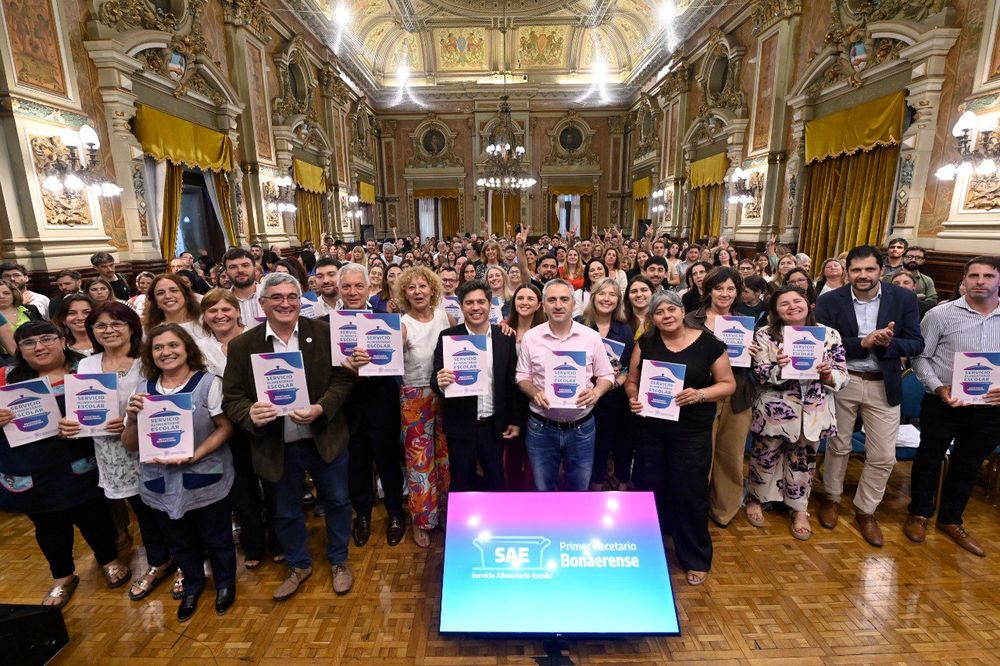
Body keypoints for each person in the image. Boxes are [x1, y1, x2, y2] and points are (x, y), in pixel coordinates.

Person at [223, 272, 356, 600]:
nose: (286, 303)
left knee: (338, 501)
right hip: (275, 444)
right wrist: (249, 413)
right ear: (263, 303)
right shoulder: (243, 346)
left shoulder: (324, 333)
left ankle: (339, 560)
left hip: (324, 436)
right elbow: (233, 397)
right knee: (284, 509)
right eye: (277, 298)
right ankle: (298, 564)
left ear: (301, 301)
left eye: (292, 297)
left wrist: (321, 408)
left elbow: (344, 379)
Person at [0, 321, 129, 608]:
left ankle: (109, 558)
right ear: (19, 349)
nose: (40, 347)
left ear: (62, 340)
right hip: (31, 467)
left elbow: (111, 405)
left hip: (78, 460)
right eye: (29, 343)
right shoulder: (4, 377)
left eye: (47, 339)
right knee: (47, 524)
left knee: (93, 515)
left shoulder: (84, 369)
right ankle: (63, 575)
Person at [122, 324, 236, 621]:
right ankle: (193, 584)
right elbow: (130, 444)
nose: (166, 352)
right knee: (179, 540)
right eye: (158, 347)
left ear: (187, 349)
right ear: (150, 354)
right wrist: (133, 419)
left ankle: (225, 582)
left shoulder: (208, 383)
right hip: (160, 482)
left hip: (205, 476)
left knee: (216, 536)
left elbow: (226, 427)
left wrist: (196, 454)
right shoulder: (143, 391)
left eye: (173, 345)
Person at [65, 303, 176, 602]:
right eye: (101, 326)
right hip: (111, 451)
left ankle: (183, 559)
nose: (109, 330)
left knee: (164, 505)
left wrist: (128, 420)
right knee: (140, 509)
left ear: (131, 326)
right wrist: (72, 422)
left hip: (150, 443)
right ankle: (159, 561)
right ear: (92, 332)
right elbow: (81, 406)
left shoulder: (148, 359)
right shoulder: (87, 365)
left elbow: (166, 396)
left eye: (116, 323)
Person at [624, 291, 736, 585]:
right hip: (651, 431)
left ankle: (695, 557)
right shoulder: (645, 343)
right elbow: (632, 382)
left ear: (682, 310)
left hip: (692, 433)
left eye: (671, 309)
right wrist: (633, 398)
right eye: (659, 312)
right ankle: (648, 550)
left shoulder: (708, 343)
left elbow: (727, 384)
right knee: (650, 489)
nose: (667, 315)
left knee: (690, 492)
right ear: (653, 318)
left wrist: (700, 394)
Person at [815, 245, 923, 547]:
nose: (863, 275)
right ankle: (832, 498)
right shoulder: (829, 301)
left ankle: (866, 509)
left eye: (869, 269)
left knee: (884, 456)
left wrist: (888, 343)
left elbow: (916, 343)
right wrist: (863, 342)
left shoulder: (902, 299)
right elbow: (822, 343)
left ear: (882, 270)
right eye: (857, 270)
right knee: (838, 447)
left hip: (882, 382)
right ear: (847, 272)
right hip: (843, 380)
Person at [906, 256, 1000, 557]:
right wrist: (938, 387)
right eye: (974, 275)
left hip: (989, 407)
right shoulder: (940, 315)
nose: (980, 281)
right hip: (942, 402)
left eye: (987, 276)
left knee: (968, 465)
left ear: (999, 280)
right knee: (929, 459)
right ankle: (919, 513)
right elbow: (920, 357)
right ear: (965, 279)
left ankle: (950, 519)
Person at [747, 285, 848, 538]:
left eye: (797, 301)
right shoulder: (765, 335)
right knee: (765, 455)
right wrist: (779, 368)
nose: (792, 307)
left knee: (803, 460)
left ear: (809, 303)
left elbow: (842, 375)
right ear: (775, 310)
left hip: (813, 410)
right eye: (784, 304)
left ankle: (799, 508)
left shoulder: (829, 335)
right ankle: (756, 498)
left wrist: (827, 373)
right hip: (774, 408)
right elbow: (759, 373)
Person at [516, 279, 616, 491]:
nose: (558, 305)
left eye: (564, 299)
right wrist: (534, 392)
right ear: (543, 305)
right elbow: (522, 376)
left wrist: (596, 392)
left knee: (579, 488)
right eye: (552, 300)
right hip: (541, 427)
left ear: (573, 304)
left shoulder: (591, 337)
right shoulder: (531, 338)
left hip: (581, 427)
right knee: (543, 489)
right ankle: (546, 525)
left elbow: (607, 375)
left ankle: (575, 525)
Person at [336, 264, 406, 548]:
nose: (353, 292)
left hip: (382, 401)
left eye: (358, 286)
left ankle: (395, 512)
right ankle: (362, 514)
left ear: (369, 288)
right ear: (339, 289)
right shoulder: (327, 323)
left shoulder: (386, 319)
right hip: (347, 405)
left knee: (388, 461)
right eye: (347, 286)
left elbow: (394, 364)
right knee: (357, 463)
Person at [431, 279, 522, 492]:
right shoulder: (448, 337)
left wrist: (515, 420)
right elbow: (434, 380)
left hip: (493, 425)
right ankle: (461, 524)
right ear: (461, 306)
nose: (475, 307)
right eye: (469, 303)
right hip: (461, 425)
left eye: (481, 301)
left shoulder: (504, 337)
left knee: (496, 480)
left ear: (490, 304)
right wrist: (440, 381)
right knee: (461, 481)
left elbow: (512, 383)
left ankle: (497, 523)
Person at [685, 268, 757, 527]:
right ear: (708, 290)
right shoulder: (691, 320)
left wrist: (754, 353)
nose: (724, 293)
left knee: (731, 454)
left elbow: (758, 366)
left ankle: (724, 510)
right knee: (700, 455)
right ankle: (695, 508)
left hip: (737, 395)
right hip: (701, 395)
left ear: (737, 292)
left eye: (730, 289)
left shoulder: (746, 322)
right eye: (719, 288)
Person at [386, 267, 453, 547]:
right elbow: (389, 360)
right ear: (404, 293)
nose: (417, 292)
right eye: (411, 288)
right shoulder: (401, 324)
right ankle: (422, 520)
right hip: (415, 395)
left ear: (432, 290)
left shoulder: (443, 315)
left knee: (445, 457)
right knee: (419, 462)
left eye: (422, 286)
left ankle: (448, 514)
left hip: (447, 391)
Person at [575, 277, 633, 490]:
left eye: (612, 295)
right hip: (581, 396)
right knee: (587, 446)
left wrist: (613, 383)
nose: (606, 299)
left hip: (613, 398)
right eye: (602, 293)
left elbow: (626, 368)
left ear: (618, 300)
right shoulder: (579, 324)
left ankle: (608, 485)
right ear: (593, 296)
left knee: (611, 442)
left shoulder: (624, 329)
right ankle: (589, 485)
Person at [144, 274, 209, 343]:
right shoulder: (149, 331)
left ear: (186, 295)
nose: (168, 296)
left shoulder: (206, 322)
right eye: (160, 293)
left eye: (174, 290)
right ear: (156, 302)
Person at [0, 277, 40, 355]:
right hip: (5, 358)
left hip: (36, 351)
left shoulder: (30, 309)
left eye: (6, 293)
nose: (1, 296)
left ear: (14, 294)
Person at [223, 248, 261, 328]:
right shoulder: (222, 301)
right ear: (226, 273)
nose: (240, 270)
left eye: (245, 265)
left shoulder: (269, 295)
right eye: (233, 267)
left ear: (254, 269)